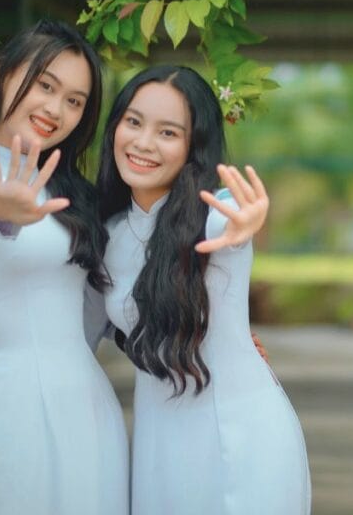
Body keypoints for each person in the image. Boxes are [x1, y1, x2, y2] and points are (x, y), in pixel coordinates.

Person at [0, 20, 128, 515]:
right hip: (12, 407)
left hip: (89, 405)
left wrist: (211, 337)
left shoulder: (73, 195)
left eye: (75, 101)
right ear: (1, 74)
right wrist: (0, 204)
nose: (56, 110)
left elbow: (107, 310)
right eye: (45, 85)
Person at [96, 65, 311, 514]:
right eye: (133, 122)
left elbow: (236, 216)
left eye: (168, 132)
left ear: (193, 147)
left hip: (241, 437)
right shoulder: (107, 234)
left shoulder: (213, 215)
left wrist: (248, 219)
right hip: (158, 445)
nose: (143, 142)